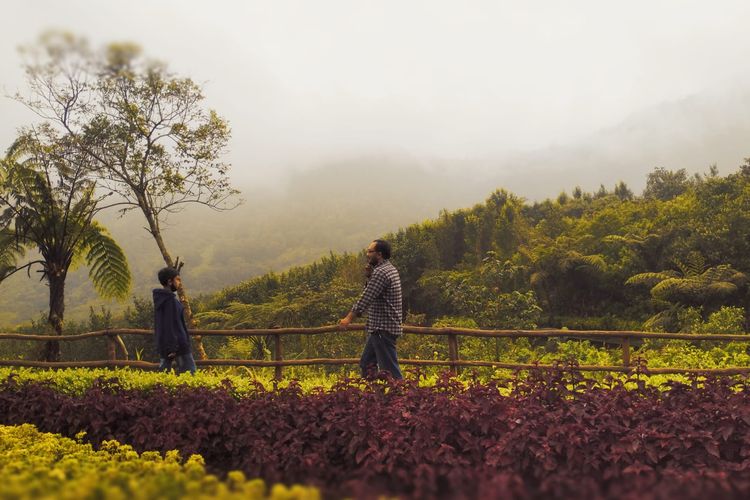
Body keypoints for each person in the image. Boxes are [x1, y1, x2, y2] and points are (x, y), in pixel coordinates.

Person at [340, 239, 403, 379]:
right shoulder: (389, 269)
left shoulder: (381, 273)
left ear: (379, 254)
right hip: (379, 329)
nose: (367, 254)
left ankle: (404, 397)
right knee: (367, 364)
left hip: (382, 329)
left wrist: (348, 318)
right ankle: (374, 398)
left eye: (370, 251)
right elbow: (375, 292)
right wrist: (369, 276)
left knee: (390, 371)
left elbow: (366, 298)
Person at [153, 267, 196, 375]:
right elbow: (170, 325)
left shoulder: (161, 299)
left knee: (163, 375)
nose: (179, 283)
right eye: (177, 279)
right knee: (190, 375)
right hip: (178, 345)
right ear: (169, 281)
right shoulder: (169, 301)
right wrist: (172, 348)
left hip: (166, 344)